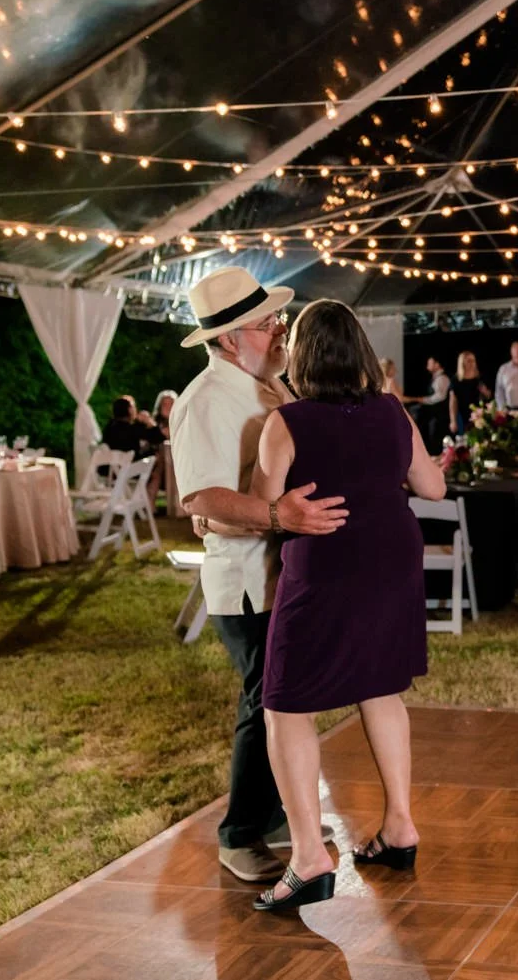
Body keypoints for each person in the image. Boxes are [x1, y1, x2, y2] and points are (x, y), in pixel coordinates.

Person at [249, 299, 446, 912]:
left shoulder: (286, 422)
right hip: (392, 559)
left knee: (283, 705)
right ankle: (400, 826)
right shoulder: (393, 411)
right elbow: (433, 488)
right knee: (381, 689)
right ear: (361, 349)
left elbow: (267, 510)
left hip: (326, 566)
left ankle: (309, 858)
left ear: (299, 355)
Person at [169, 267, 349, 886]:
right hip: (246, 583)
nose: (279, 331)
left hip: (285, 575)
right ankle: (239, 833)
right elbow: (201, 499)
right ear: (226, 340)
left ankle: (276, 819)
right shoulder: (204, 402)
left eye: (276, 320)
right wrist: (277, 514)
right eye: (265, 324)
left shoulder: (276, 389)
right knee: (264, 703)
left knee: (285, 701)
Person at [448, 350, 492, 437]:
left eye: (473, 360)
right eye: (469, 361)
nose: (472, 363)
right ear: (462, 363)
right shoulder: (456, 380)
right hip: (463, 415)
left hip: (480, 415)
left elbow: (489, 396)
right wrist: (453, 421)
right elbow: (453, 402)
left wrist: (485, 392)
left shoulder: (480, 377)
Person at [414, 356, 450, 452]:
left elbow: (440, 396)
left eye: (429, 364)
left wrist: (423, 400)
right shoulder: (436, 378)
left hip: (440, 417)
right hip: (434, 417)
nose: (427, 367)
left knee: (437, 443)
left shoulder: (442, 378)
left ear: (437, 364)